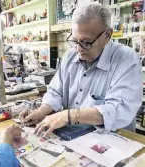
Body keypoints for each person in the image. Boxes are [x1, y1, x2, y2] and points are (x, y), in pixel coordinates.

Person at [20, 3, 143, 137]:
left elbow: (119, 110)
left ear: (107, 35)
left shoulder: (126, 60)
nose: (78, 49)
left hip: (112, 141)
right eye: (74, 41)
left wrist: (70, 115)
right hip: (74, 138)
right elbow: (56, 92)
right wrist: (41, 111)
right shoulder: (71, 54)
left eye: (87, 42)